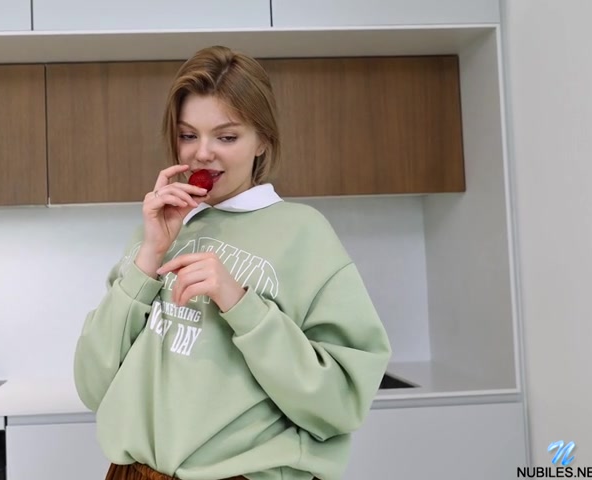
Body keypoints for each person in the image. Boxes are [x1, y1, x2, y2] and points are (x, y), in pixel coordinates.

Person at [73, 45, 392, 480]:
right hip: (130, 473)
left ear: (263, 140)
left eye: (226, 137)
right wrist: (148, 258)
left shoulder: (304, 233)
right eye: (188, 135)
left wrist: (241, 304)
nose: (202, 154)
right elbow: (92, 385)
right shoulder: (157, 230)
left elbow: (341, 403)